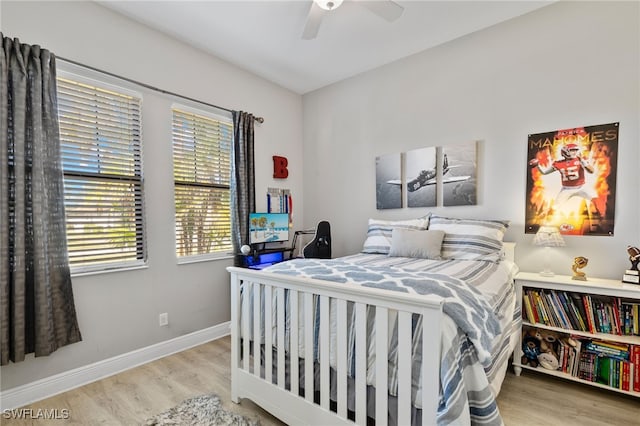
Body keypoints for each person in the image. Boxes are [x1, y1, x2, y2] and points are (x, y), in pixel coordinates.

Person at [529, 143, 599, 230]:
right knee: (554, 208)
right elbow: (544, 172)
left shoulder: (581, 159)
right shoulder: (558, 163)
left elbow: (591, 171)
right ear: (565, 152)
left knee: (597, 200)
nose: (575, 152)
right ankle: (545, 225)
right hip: (567, 189)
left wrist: (583, 162)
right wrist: (538, 166)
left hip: (582, 187)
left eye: (575, 150)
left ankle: (601, 222)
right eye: (572, 150)